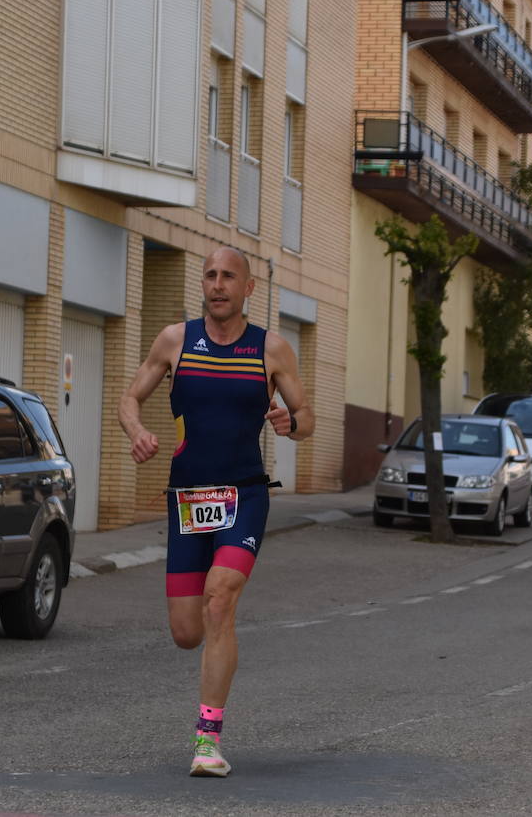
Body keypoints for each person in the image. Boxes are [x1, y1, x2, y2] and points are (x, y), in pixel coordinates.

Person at [119, 246, 312, 778]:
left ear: (249, 288)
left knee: (219, 598)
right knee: (187, 630)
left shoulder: (270, 349)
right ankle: (211, 652)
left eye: (229, 276)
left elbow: (307, 414)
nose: (218, 284)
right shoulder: (175, 341)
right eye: (210, 275)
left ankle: (207, 740)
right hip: (188, 500)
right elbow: (129, 398)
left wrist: (289, 423)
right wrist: (138, 432)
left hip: (244, 495)